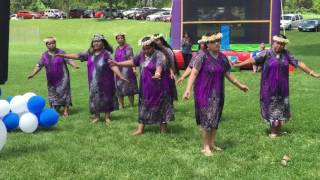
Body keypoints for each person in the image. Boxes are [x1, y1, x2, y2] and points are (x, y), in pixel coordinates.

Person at [234, 34, 320, 138]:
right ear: (273, 43)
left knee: (281, 108)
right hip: (269, 88)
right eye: (278, 43)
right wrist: (239, 64)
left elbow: (299, 63)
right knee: (273, 108)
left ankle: (277, 131)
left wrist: (312, 72)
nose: (279, 46)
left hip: (282, 88)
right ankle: (274, 132)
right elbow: (253, 60)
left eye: (282, 44)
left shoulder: (286, 54)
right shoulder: (266, 53)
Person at [182, 32, 249, 156]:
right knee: (207, 119)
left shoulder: (223, 58)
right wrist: (188, 89)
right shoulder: (201, 56)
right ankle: (205, 146)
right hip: (203, 92)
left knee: (215, 118)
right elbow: (194, 73)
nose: (217, 43)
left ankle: (212, 143)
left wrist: (240, 86)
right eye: (214, 41)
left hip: (218, 92)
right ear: (207, 44)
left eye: (218, 40)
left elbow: (228, 75)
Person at [109, 35, 174, 135]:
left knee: (161, 106)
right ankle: (140, 129)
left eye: (148, 48)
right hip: (146, 86)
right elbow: (132, 62)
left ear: (153, 46)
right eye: (144, 48)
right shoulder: (142, 55)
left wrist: (157, 74)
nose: (146, 51)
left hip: (159, 86)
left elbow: (159, 66)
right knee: (143, 105)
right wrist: (118, 63)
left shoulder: (159, 55)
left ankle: (163, 129)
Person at [56, 34, 128, 124]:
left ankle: (107, 117)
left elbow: (113, 65)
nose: (96, 43)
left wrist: (120, 75)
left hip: (106, 81)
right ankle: (97, 117)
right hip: (93, 82)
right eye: (94, 42)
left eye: (98, 41)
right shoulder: (90, 53)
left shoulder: (107, 54)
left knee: (107, 97)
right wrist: (64, 56)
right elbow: (77, 56)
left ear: (103, 43)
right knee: (94, 98)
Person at [28, 37, 79, 117]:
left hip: (63, 78)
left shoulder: (61, 52)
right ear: (46, 45)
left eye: (53, 43)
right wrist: (33, 74)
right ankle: (55, 110)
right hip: (51, 79)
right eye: (49, 44)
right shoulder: (44, 55)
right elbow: (39, 65)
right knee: (52, 94)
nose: (52, 45)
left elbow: (69, 59)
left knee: (64, 93)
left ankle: (66, 111)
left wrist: (74, 65)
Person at [114, 32, 139, 108]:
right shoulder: (117, 48)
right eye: (118, 38)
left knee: (129, 86)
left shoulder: (128, 47)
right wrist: (114, 70)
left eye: (121, 38)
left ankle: (131, 104)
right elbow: (115, 59)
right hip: (119, 70)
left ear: (124, 38)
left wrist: (134, 69)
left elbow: (132, 59)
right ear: (116, 40)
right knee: (119, 87)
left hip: (128, 70)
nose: (120, 40)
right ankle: (121, 105)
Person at [153, 33, 178, 102]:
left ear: (162, 40)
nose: (156, 42)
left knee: (168, 90)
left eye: (157, 40)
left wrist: (172, 72)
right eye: (154, 40)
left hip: (167, 73)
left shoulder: (167, 50)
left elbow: (172, 62)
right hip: (157, 73)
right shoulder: (153, 51)